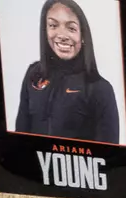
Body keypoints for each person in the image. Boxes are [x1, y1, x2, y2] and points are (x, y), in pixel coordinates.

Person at [14, 0, 120, 144]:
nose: (62, 35)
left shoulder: (99, 88)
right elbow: (19, 139)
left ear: (82, 35)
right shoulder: (34, 75)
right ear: (45, 31)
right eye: (53, 25)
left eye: (71, 28)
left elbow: (109, 156)